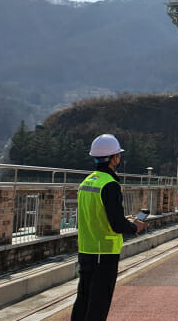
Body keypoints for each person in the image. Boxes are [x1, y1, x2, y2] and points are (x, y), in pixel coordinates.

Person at [71, 134, 148, 321]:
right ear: (114, 158)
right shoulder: (110, 185)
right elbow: (116, 224)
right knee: (98, 304)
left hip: (86, 249)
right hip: (104, 253)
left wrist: (123, 220)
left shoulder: (86, 182)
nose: (119, 158)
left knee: (83, 299)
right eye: (118, 155)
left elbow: (98, 215)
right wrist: (134, 227)